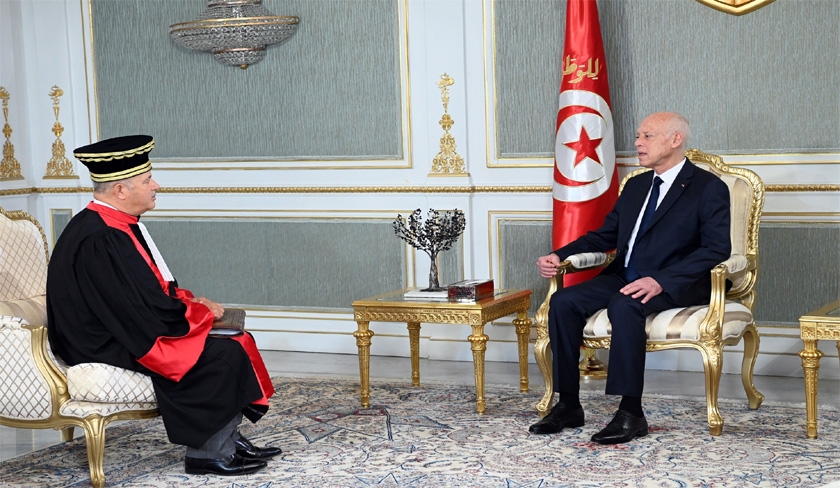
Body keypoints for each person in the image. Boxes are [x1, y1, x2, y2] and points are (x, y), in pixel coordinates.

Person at [47, 135, 280, 476]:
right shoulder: (100, 237)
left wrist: (190, 302)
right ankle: (207, 454)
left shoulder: (114, 223)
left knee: (236, 339)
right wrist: (199, 314)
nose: (156, 186)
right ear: (120, 190)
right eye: (147, 181)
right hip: (101, 342)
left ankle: (228, 439)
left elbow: (143, 293)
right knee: (222, 355)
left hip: (119, 328)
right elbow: (136, 310)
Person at [529, 112, 731, 444]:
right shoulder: (637, 185)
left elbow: (716, 249)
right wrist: (559, 254)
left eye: (647, 136)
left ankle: (631, 413)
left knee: (625, 304)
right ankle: (568, 405)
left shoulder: (708, 187)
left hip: (676, 282)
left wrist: (660, 281)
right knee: (563, 302)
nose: (638, 143)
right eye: (638, 136)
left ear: (675, 139)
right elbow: (605, 235)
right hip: (625, 274)